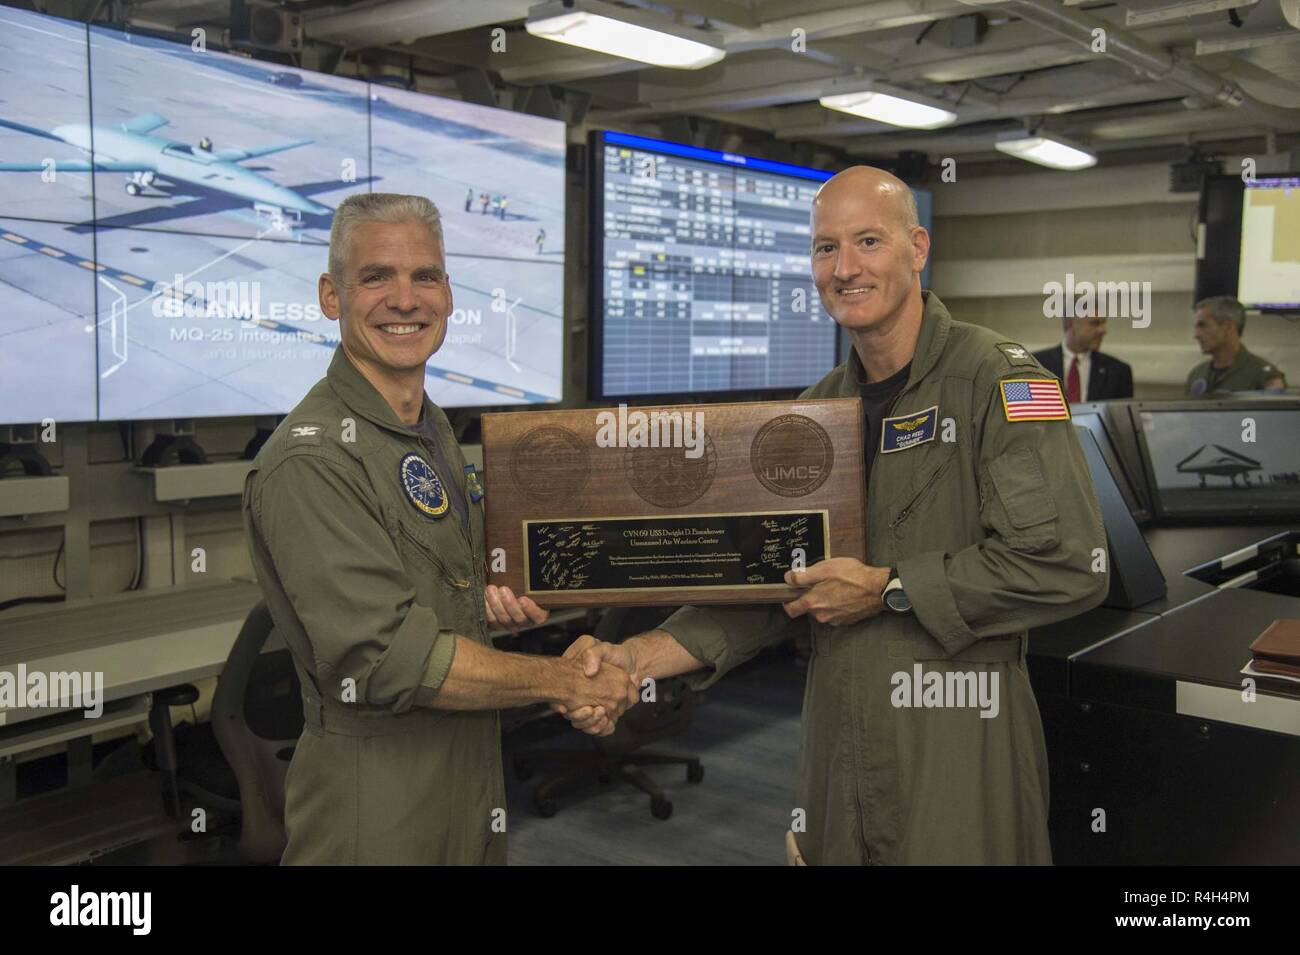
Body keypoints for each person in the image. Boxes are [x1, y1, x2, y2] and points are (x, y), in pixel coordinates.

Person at [558, 167, 1109, 865]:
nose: (844, 268)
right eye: (825, 249)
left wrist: (888, 587)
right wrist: (633, 658)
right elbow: (765, 594)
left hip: (959, 735)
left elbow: (1067, 563)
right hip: (836, 744)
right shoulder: (810, 416)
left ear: (917, 248)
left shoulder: (1005, 380)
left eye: (868, 241)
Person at [242, 193, 637, 865]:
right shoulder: (312, 459)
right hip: (376, 806)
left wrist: (488, 599)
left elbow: (443, 590)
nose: (406, 299)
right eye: (376, 277)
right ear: (331, 296)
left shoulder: (429, 432)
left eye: (425, 276)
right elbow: (390, 658)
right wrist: (564, 680)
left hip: (469, 777)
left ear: (450, 294)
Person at [1185, 296, 1286, 396]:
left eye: (1203, 325)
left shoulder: (1263, 375)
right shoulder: (1197, 374)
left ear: (1228, 327)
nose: (1196, 335)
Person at [1033, 300, 1133, 401]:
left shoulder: (1118, 372)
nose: (1103, 330)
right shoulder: (1035, 366)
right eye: (1095, 323)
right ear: (1070, 325)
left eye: (1103, 323)